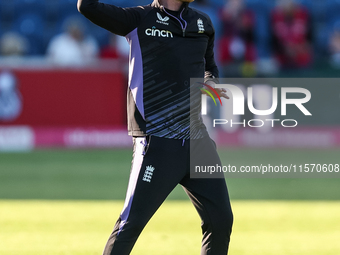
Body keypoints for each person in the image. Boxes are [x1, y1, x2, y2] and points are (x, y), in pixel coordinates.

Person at [77, 0, 233, 254]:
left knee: (221, 219)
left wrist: (210, 82)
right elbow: (87, 7)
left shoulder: (203, 23)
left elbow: (209, 67)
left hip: (197, 139)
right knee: (131, 224)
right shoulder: (139, 19)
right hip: (157, 141)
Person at [218, 0, 257, 77]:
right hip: (226, 49)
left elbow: (249, 34)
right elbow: (222, 31)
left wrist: (238, 17)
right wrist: (229, 16)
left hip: (245, 49)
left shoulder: (247, 14)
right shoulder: (222, 13)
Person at [271, 0, 312, 69]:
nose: (287, 3)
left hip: (302, 59)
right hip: (281, 59)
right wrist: (285, 49)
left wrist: (296, 48)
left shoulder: (304, 14)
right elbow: (272, 41)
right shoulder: (274, 16)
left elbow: (310, 40)